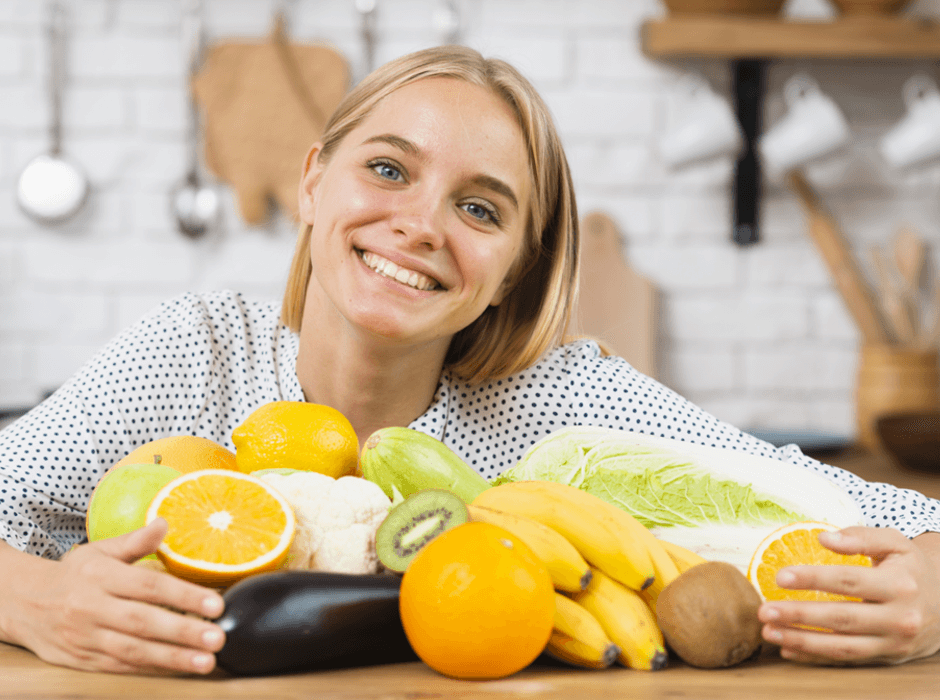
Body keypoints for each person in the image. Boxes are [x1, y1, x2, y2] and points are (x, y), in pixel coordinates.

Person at [0, 45, 938, 675]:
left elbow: (892, 521)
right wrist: (38, 599)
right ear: (313, 181)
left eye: (481, 209)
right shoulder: (195, 352)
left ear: (513, 272)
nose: (420, 226)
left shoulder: (568, 402)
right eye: (389, 169)